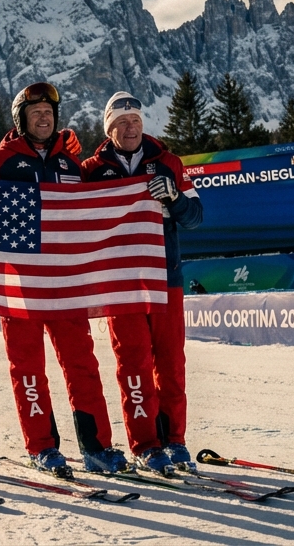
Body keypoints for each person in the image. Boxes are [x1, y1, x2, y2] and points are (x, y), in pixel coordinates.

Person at [0, 83, 129, 478]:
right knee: (27, 367)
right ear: (21, 120)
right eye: (35, 113)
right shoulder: (0, 162)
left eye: (48, 112)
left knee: (82, 364)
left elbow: (93, 213)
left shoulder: (70, 164)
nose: (43, 118)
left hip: (66, 282)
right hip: (19, 284)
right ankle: (42, 447)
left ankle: (96, 447)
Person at [81, 91, 202, 475]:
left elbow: (196, 217)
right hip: (120, 283)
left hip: (166, 276)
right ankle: (146, 443)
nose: (131, 128)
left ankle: (174, 439)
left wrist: (175, 199)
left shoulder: (168, 162)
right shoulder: (93, 169)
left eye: (135, 120)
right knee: (132, 362)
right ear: (109, 129)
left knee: (170, 362)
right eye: (122, 122)